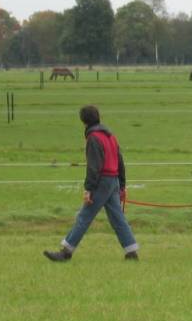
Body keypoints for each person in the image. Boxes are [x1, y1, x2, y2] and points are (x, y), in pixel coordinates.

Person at [44, 105, 139, 262]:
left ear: (83, 121)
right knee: (118, 218)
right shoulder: (111, 136)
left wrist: (88, 189)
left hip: (102, 182)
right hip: (113, 181)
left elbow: (94, 167)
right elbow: (120, 162)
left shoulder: (94, 138)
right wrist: (121, 185)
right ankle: (131, 251)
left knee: (84, 217)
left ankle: (66, 252)